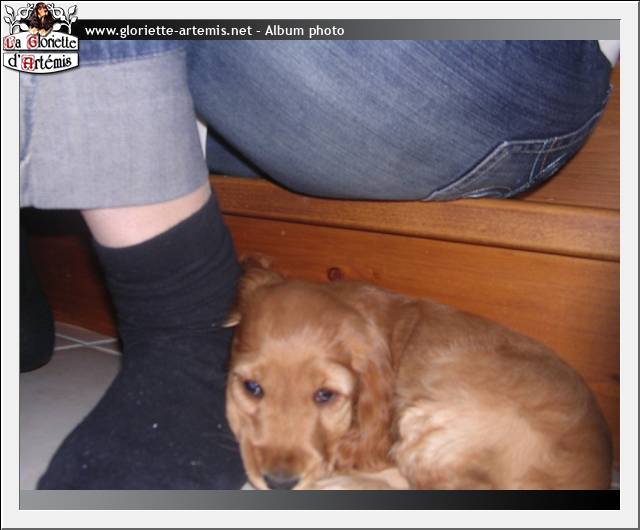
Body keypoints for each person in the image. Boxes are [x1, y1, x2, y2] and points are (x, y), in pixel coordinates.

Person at [20, 40, 614, 489]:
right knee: (38, 29)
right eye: (253, 387)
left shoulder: (387, 376)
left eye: (326, 396)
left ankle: (177, 309)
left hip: (514, 64)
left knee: (65, 24)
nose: (280, 460)